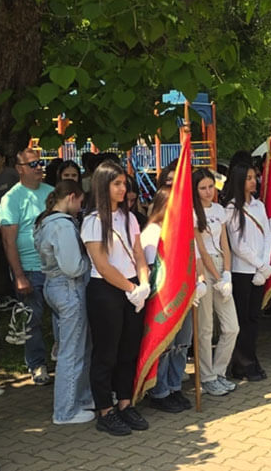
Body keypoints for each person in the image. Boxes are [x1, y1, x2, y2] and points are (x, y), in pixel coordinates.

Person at [81, 161, 151, 436]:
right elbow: (102, 265)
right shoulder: (93, 221)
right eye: (117, 184)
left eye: (124, 183)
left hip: (133, 288)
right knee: (106, 352)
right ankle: (105, 410)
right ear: (103, 186)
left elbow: (139, 254)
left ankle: (125, 402)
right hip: (106, 290)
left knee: (128, 349)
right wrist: (131, 289)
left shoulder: (129, 217)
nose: (123, 189)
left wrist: (143, 283)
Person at [34, 179, 97, 425]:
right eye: (80, 202)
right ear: (71, 197)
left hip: (53, 286)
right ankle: (65, 410)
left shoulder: (44, 221)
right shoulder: (63, 225)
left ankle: (81, 398)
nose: (81, 208)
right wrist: (91, 261)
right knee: (72, 351)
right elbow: (73, 267)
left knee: (77, 346)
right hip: (69, 288)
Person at [0, 149, 55, 385]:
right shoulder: (11, 199)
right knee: (32, 319)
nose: (39, 167)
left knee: (63, 316)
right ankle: (37, 364)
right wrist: (19, 275)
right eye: (33, 164)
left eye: (41, 163)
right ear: (19, 169)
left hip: (55, 267)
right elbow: (8, 241)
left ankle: (64, 358)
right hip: (30, 269)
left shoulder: (51, 193)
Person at [142, 187, 195, 412]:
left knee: (181, 344)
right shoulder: (152, 232)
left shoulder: (181, 230)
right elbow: (154, 269)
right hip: (164, 299)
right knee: (165, 346)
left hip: (183, 295)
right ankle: (159, 391)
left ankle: (175, 386)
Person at [191, 169, 241, 394]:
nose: (208, 191)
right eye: (203, 188)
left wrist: (227, 273)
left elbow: (225, 244)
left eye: (211, 186)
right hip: (203, 268)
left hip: (221, 265)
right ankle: (207, 376)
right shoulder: (193, 212)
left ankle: (219, 371)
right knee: (206, 328)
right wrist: (218, 277)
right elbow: (201, 249)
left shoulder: (220, 210)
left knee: (231, 327)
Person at [224, 163, 271, 381]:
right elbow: (238, 245)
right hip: (241, 270)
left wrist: (264, 267)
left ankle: (251, 358)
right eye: (249, 178)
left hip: (260, 270)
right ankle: (241, 363)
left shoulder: (259, 205)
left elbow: (268, 236)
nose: (254, 182)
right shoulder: (231, 209)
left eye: (255, 177)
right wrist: (260, 265)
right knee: (241, 318)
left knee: (254, 317)